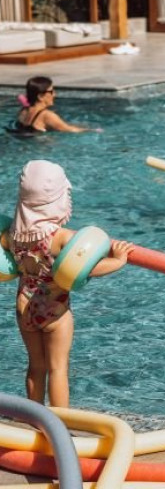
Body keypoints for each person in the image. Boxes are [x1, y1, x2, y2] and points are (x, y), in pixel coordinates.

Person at [7, 160, 133, 406]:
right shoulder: (61, 238)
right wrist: (118, 260)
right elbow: (86, 266)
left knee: (36, 367)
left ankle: (33, 419)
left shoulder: (13, 234)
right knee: (58, 369)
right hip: (55, 311)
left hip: (25, 308)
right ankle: (60, 423)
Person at [11, 77, 97, 134]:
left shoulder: (23, 110)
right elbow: (70, 130)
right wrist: (92, 130)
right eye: (51, 92)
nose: (54, 94)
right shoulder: (47, 115)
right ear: (40, 96)